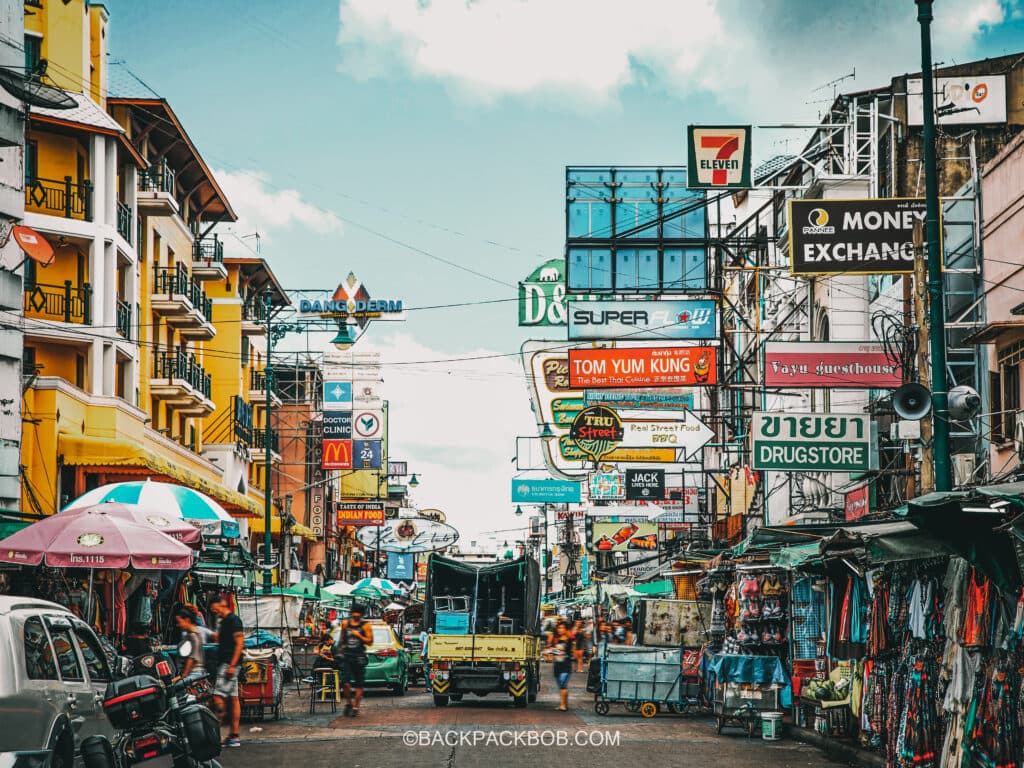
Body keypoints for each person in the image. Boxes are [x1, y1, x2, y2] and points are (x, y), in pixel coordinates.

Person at [209, 595, 244, 748]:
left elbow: (239, 644)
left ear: (220, 604)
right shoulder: (223, 622)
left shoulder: (234, 621)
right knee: (233, 698)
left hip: (229, 664)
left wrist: (232, 665)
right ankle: (234, 735)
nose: (214, 612)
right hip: (228, 663)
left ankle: (215, 733)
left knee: (217, 696)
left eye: (214, 609)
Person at [333, 604, 373, 717]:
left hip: (359, 657)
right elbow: (341, 639)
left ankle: (356, 707)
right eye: (354, 613)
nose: (356, 615)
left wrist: (359, 636)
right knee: (345, 682)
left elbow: (370, 641)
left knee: (359, 684)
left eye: (358, 613)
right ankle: (350, 703)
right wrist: (339, 650)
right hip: (347, 656)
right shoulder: (346, 624)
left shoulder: (365, 626)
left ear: (361, 614)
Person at [548, 620, 574, 711]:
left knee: (563, 684)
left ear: (566, 629)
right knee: (561, 686)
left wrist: (551, 650)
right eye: (559, 628)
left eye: (562, 628)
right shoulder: (557, 639)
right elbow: (554, 649)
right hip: (557, 665)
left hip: (566, 666)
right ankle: (564, 704)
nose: (560, 629)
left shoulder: (569, 639)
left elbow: (560, 650)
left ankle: (563, 706)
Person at [173, 607, 206, 678]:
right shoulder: (190, 635)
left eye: (179, 622)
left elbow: (191, 658)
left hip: (192, 674)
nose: (177, 625)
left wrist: (183, 676)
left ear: (187, 620)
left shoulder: (193, 636)